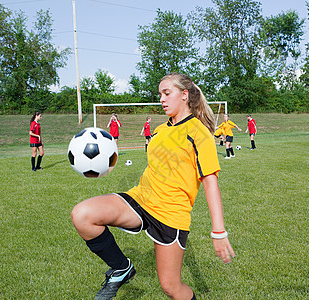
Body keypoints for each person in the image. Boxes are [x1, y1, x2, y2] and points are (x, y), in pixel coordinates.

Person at [71, 73, 235, 300]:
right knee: (83, 215)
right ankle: (121, 268)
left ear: (184, 95)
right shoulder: (159, 130)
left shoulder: (198, 134)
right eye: (160, 94)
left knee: (171, 287)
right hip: (140, 200)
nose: (162, 99)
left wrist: (219, 231)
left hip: (170, 214)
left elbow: (210, 182)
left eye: (167, 93)